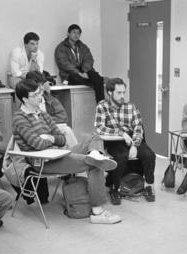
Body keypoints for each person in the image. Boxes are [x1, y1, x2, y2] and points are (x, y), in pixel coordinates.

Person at [13, 79, 121, 224]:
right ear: (25, 99)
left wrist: (50, 137)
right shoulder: (19, 118)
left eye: (40, 93)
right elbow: (37, 144)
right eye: (35, 95)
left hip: (58, 152)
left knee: (93, 137)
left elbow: (61, 138)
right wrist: (53, 139)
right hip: (43, 161)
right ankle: (98, 212)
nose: (40, 97)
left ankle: (96, 153)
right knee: (95, 164)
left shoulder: (42, 114)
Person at [94, 78, 156, 205]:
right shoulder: (102, 106)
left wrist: (135, 145)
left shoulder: (130, 106)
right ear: (110, 92)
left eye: (123, 92)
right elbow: (100, 128)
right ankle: (115, 188)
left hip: (132, 138)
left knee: (149, 155)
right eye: (119, 93)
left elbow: (138, 127)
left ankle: (148, 185)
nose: (122, 96)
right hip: (114, 140)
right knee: (121, 157)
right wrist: (121, 134)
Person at [54, 24, 105, 102]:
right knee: (95, 80)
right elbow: (64, 64)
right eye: (74, 32)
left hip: (83, 70)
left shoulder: (83, 46)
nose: (76, 35)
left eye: (78, 33)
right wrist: (78, 72)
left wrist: (84, 71)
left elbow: (89, 59)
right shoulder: (61, 47)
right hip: (69, 74)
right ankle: (97, 81)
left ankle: (101, 103)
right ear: (68, 33)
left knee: (94, 75)